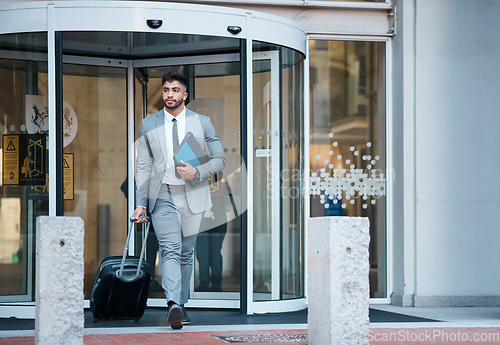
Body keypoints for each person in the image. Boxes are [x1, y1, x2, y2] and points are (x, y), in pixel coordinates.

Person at [132, 70, 226, 329]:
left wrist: (197, 171)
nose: (169, 94)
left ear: (185, 95)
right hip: (162, 194)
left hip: (192, 194)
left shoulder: (202, 122)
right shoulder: (149, 124)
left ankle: (181, 304)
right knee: (170, 249)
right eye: (165, 90)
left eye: (175, 90)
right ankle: (173, 302)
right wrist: (141, 202)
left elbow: (220, 159)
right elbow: (143, 166)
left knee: (186, 252)